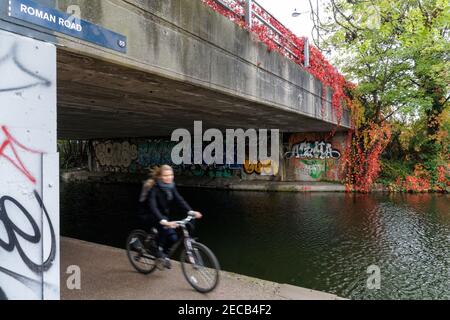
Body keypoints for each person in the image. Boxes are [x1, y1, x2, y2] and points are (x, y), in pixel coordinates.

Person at [138, 165, 202, 268]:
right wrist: (163, 221)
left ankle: (165, 256)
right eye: (166, 175)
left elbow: (179, 199)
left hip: (162, 214)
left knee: (173, 238)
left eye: (171, 175)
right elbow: (153, 207)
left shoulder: (171, 186)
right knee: (165, 228)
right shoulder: (154, 188)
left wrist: (191, 211)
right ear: (160, 177)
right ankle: (157, 251)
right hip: (149, 214)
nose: (169, 177)